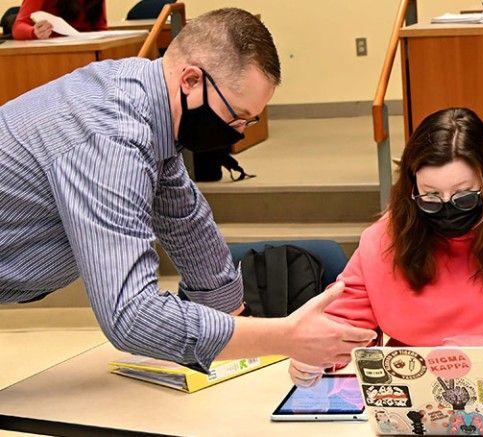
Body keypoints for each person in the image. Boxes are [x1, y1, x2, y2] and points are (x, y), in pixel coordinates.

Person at [0, 8, 375, 372]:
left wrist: (237, 326)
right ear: (191, 80)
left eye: (250, 120)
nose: (240, 132)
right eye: (236, 117)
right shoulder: (114, 134)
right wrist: (281, 337)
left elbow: (186, 223)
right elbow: (131, 316)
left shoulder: (147, 104)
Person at [290, 107, 483, 386]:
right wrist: (314, 354)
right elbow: (343, 324)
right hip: (414, 392)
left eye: (464, 196)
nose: (447, 208)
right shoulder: (388, 237)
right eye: (431, 197)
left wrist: (477, 355)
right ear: (412, 189)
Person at [12, 0, 107, 40]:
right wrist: (34, 32)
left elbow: (100, 28)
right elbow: (18, 27)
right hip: (53, 54)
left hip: (88, 52)